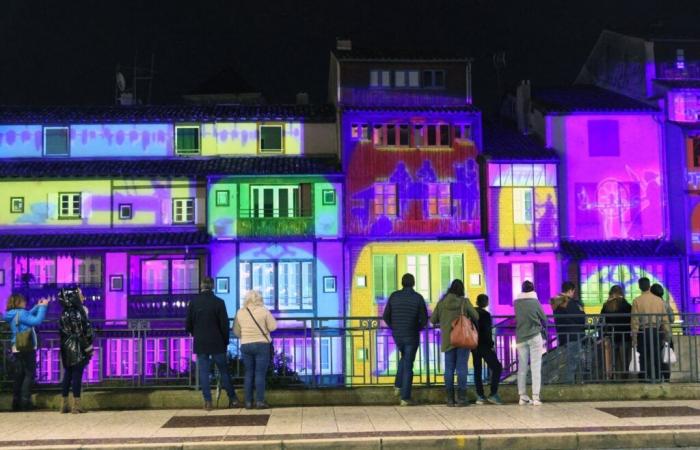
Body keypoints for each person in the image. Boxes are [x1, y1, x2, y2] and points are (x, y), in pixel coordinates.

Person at [186, 277, 241, 411]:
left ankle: (208, 402)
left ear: (201, 286)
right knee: (223, 371)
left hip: (201, 342)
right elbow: (224, 324)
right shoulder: (219, 302)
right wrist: (225, 341)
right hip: (217, 342)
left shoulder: (194, 303)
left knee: (204, 372)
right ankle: (233, 399)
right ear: (213, 286)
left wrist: (196, 334)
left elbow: (188, 324)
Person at [382, 273, 428, 406]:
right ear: (413, 283)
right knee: (408, 365)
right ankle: (405, 397)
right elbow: (424, 319)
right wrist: (417, 328)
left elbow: (386, 316)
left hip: (397, 335)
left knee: (405, 358)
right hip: (411, 335)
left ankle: (398, 385)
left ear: (402, 283)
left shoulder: (394, 296)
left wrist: (394, 327)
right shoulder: (418, 298)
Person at [430, 280, 478, 407]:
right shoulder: (464, 302)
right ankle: (461, 398)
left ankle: (450, 398)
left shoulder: (441, 303)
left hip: (447, 340)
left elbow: (433, 319)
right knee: (462, 368)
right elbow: (476, 316)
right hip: (463, 338)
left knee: (449, 369)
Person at [233, 290, 277, 409]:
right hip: (262, 345)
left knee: (248, 373)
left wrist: (246, 335)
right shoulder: (264, 311)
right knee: (259, 374)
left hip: (246, 345)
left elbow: (236, 331)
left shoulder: (240, 312)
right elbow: (273, 327)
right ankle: (260, 401)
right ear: (260, 299)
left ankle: (248, 402)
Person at [4, 294, 48, 411]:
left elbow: (26, 315)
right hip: (27, 347)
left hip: (16, 346)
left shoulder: (13, 313)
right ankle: (25, 403)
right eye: (23, 301)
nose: (25, 303)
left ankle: (16, 402)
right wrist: (43, 307)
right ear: (19, 302)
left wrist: (36, 307)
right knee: (29, 374)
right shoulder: (21, 313)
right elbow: (36, 321)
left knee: (19, 375)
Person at [58, 287, 94, 414]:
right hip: (77, 347)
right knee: (77, 375)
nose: (81, 296)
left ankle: (64, 404)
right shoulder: (76, 312)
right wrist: (88, 347)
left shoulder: (64, 312)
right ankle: (76, 405)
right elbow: (79, 332)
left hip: (66, 347)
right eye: (79, 294)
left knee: (68, 375)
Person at [631, 277, 671, 382]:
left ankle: (644, 379)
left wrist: (634, 337)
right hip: (656, 332)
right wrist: (667, 335)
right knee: (656, 355)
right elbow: (665, 319)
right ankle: (657, 378)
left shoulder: (637, 301)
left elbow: (635, 321)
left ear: (639, 287)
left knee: (643, 356)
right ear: (649, 286)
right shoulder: (659, 301)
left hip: (643, 332)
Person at [515, 280, 547, 406]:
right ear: (533, 289)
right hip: (534, 336)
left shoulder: (516, 302)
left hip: (520, 337)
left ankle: (522, 396)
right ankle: (535, 397)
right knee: (535, 367)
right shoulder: (535, 302)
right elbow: (543, 317)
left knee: (522, 368)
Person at [550, 281, 586, 384]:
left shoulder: (557, 303)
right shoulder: (570, 303)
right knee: (573, 363)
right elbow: (581, 318)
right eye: (573, 291)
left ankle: (570, 384)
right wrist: (582, 311)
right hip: (574, 335)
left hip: (563, 336)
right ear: (570, 291)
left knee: (568, 363)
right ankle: (570, 386)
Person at [473, 294, 503, 405]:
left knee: (477, 370)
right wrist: (491, 344)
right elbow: (487, 332)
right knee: (497, 367)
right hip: (484, 345)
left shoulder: (472, 313)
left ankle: (480, 396)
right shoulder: (485, 315)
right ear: (486, 303)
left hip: (473, 344)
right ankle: (493, 393)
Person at [600, 285, 632, 380]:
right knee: (624, 359)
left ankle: (612, 377)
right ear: (621, 293)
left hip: (611, 336)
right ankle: (624, 378)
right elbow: (631, 319)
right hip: (624, 336)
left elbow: (602, 320)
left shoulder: (606, 305)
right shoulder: (627, 305)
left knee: (611, 359)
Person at [650, 283, 673, 382]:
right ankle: (666, 377)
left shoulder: (653, 304)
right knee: (665, 357)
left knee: (657, 357)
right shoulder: (666, 304)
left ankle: (658, 378)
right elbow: (672, 318)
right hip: (667, 334)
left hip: (657, 333)